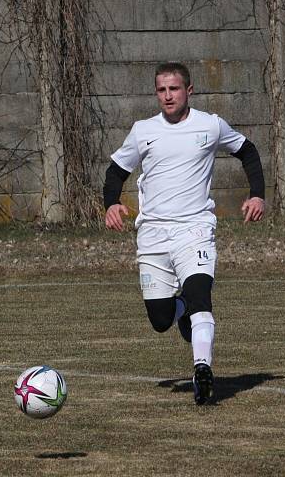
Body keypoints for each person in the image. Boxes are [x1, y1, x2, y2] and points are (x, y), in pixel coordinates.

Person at [102, 62, 265, 405]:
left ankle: (202, 368)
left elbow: (247, 151)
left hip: (195, 231)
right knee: (161, 320)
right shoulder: (143, 130)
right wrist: (111, 204)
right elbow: (115, 172)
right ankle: (180, 309)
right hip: (153, 236)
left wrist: (257, 193)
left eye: (174, 89)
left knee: (201, 296)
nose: (167, 96)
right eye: (161, 90)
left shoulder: (210, 124)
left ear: (189, 91)